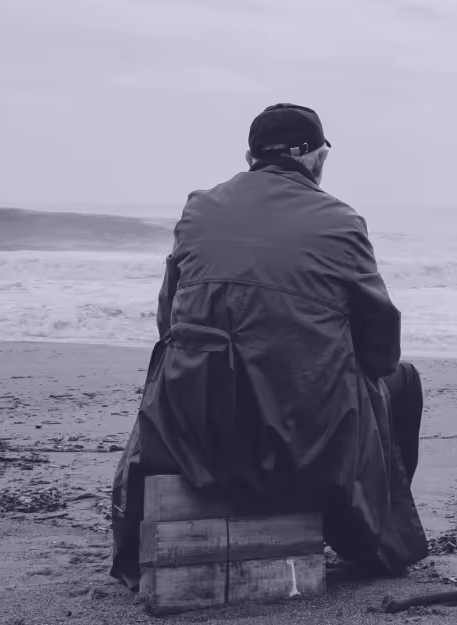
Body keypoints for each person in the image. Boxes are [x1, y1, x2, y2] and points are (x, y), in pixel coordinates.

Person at [109, 103, 428, 588]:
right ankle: (373, 539)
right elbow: (379, 347)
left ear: (250, 156)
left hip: (191, 433)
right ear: (311, 157)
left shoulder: (199, 208)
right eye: (324, 153)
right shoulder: (341, 221)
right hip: (302, 444)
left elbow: (167, 320)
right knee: (402, 380)